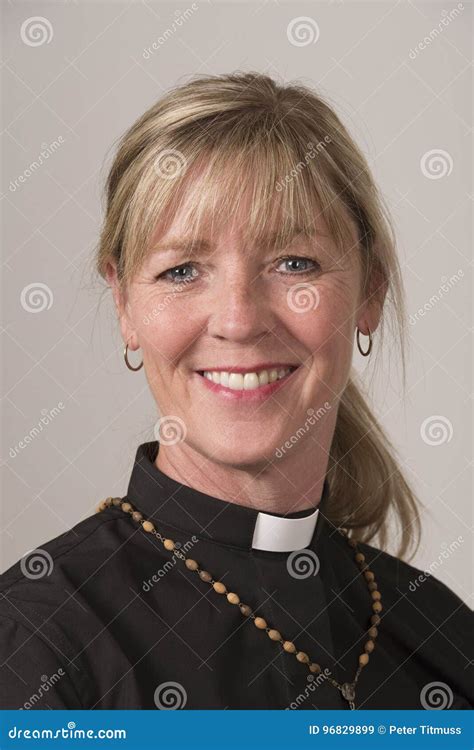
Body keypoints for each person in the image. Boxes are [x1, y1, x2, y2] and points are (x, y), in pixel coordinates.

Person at [0, 72, 472, 711]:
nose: (240, 319)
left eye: (294, 263)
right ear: (125, 307)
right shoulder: (37, 648)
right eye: (182, 270)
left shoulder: (440, 632)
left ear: (370, 293)